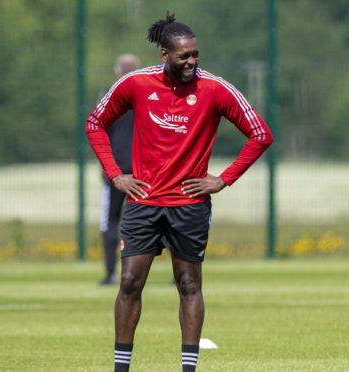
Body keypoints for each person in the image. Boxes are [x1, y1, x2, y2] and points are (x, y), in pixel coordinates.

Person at [86, 13, 273, 372]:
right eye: (184, 56)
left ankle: (188, 367)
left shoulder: (215, 88)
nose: (192, 62)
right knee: (128, 282)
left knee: (188, 284)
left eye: (195, 54)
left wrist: (224, 178)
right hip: (142, 201)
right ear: (164, 55)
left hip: (189, 206)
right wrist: (115, 175)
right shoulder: (136, 84)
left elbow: (261, 134)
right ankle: (121, 367)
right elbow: (96, 123)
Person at [97, 54, 141, 286]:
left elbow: (98, 130)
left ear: (117, 72)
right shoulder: (149, 95)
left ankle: (111, 274)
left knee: (110, 221)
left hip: (114, 171)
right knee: (155, 219)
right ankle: (173, 275)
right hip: (144, 170)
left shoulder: (107, 96)